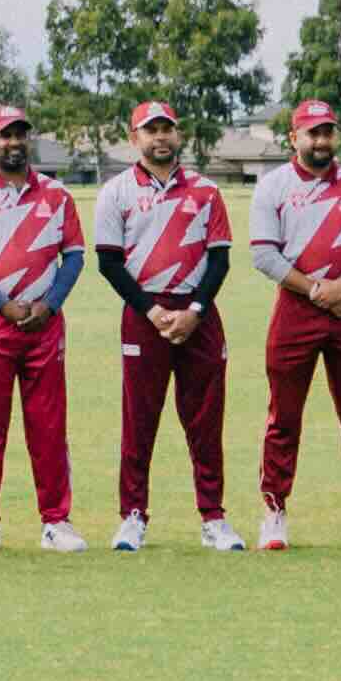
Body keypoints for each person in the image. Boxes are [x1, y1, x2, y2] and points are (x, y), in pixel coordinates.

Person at [90, 98, 244, 554]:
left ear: (178, 135)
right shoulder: (116, 191)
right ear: (134, 137)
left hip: (198, 315)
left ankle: (213, 517)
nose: (160, 137)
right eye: (150, 130)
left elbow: (219, 259)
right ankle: (132, 516)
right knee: (139, 419)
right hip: (144, 317)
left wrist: (195, 310)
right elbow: (108, 262)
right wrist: (151, 311)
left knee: (205, 421)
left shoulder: (205, 190)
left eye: (167, 129)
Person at [246, 100, 341, 550]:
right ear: (293, 138)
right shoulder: (273, 186)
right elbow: (264, 255)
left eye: (327, 132)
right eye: (311, 133)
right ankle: (274, 512)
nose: (320, 142)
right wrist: (318, 291)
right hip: (296, 312)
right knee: (284, 419)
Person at [0, 104, 87, 554]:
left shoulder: (57, 195)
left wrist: (50, 304)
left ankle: (56, 520)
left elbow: (75, 256)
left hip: (45, 325)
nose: (13, 143)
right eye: (4, 136)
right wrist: (1, 304)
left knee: (48, 425)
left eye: (20, 135)